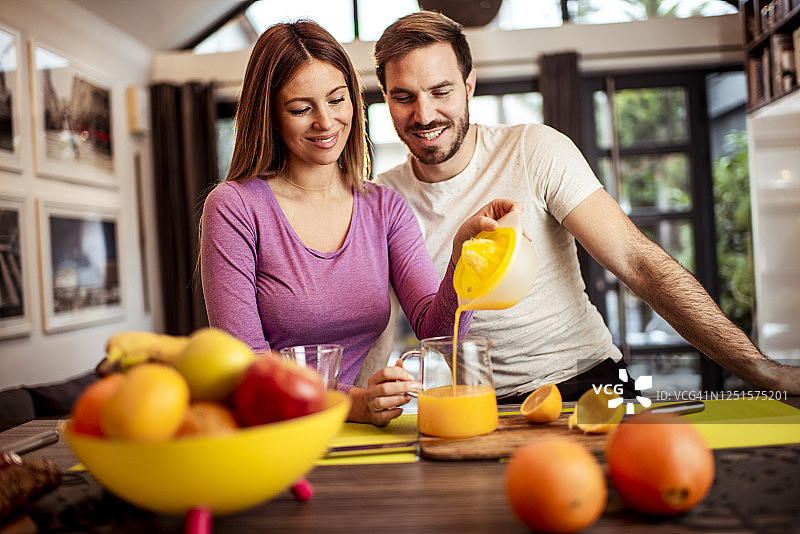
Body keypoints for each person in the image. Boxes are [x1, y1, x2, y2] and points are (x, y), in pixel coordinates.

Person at [372, 10, 800, 401]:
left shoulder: (533, 149)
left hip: (590, 379)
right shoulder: (384, 200)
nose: (424, 114)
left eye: (441, 91)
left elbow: (637, 262)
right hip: (482, 403)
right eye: (404, 97)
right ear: (386, 98)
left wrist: (761, 372)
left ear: (469, 86)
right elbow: (380, 321)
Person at [199, 19, 518, 425]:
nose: (325, 122)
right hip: (271, 428)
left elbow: (437, 332)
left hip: (352, 432)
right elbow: (244, 364)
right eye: (300, 108)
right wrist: (352, 402)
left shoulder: (384, 206)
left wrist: (462, 261)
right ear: (272, 116)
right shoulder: (234, 207)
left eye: (337, 100)